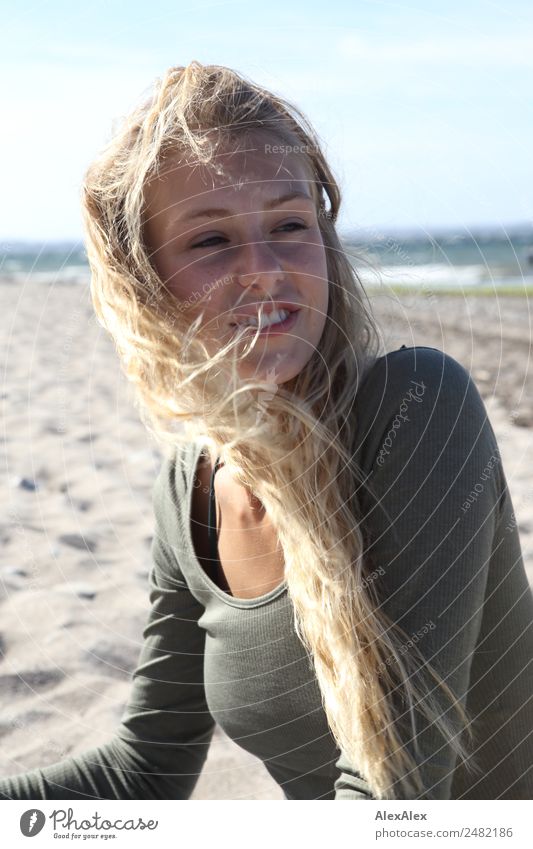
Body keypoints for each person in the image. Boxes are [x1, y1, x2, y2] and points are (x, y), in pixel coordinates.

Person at [1, 61, 532, 801]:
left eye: (288, 224)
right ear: (143, 280)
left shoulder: (416, 406)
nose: (263, 270)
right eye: (211, 241)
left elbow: (397, 798)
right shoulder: (188, 491)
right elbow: (144, 767)